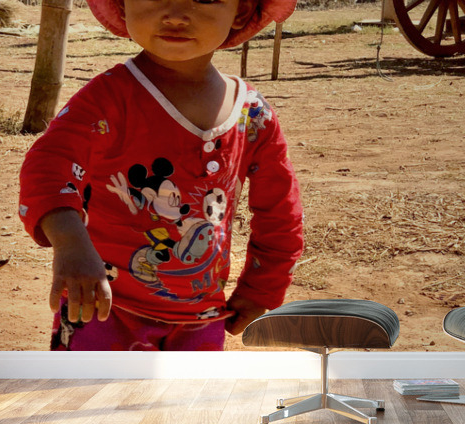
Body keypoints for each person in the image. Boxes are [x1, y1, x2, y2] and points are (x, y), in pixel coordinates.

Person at [18, 0, 303, 351]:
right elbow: (49, 164)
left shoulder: (254, 116)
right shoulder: (108, 100)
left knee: (189, 408)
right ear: (124, 6)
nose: (175, 15)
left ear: (241, 12)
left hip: (202, 321)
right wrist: (70, 243)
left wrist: (263, 287)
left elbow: (281, 212)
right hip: (102, 309)